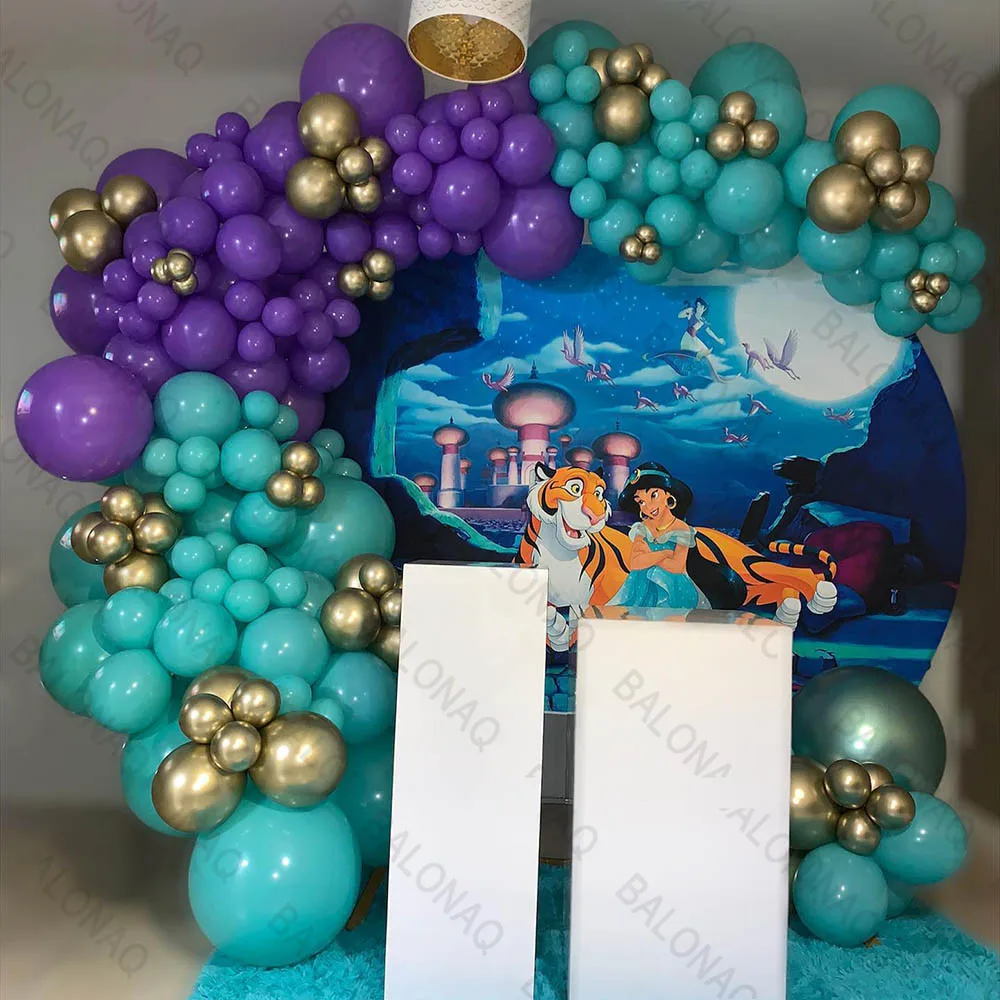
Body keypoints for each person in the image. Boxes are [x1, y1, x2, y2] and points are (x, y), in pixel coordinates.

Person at [609, 463, 709, 610]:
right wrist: (665, 553)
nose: (648, 506)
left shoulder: (681, 529)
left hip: (674, 589)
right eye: (641, 502)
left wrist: (648, 556)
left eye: (654, 495)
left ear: (669, 494)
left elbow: (676, 567)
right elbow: (635, 563)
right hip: (641, 590)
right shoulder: (642, 529)